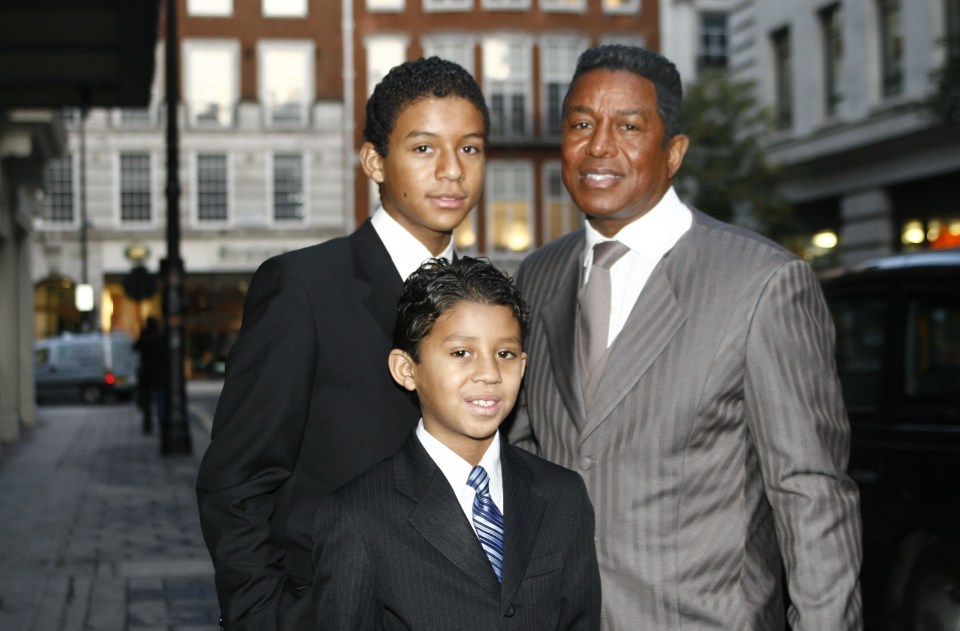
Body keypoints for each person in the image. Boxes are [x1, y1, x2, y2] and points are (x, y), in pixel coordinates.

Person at [507, 44, 863, 630]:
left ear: (673, 152)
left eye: (627, 126)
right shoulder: (539, 275)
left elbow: (811, 498)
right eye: (580, 124)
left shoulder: (762, 283)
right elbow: (527, 451)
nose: (598, 146)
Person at [196, 57, 489, 630]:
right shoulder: (303, 288)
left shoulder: (491, 301)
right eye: (425, 148)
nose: (452, 171)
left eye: (471, 148)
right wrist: (268, 619)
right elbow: (237, 481)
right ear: (375, 161)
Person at [312, 257, 601, 630]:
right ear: (406, 369)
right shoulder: (358, 515)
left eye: (505, 354)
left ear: (524, 365)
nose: (489, 373)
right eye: (461, 353)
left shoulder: (563, 494)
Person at [133, 316, 164, 434]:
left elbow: (135, 347)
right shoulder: (159, 337)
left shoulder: (146, 338)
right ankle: (161, 424)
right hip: (159, 375)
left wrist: (142, 333)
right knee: (160, 401)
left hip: (147, 375)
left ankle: (148, 425)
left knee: (148, 403)